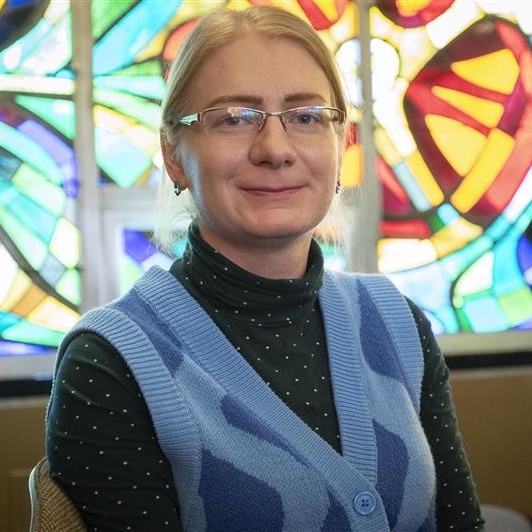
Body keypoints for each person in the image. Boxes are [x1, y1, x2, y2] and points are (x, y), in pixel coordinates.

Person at [46, 6, 485, 531]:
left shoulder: (398, 324)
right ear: (174, 154)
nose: (275, 150)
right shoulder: (109, 364)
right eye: (234, 117)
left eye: (306, 116)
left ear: (342, 143)